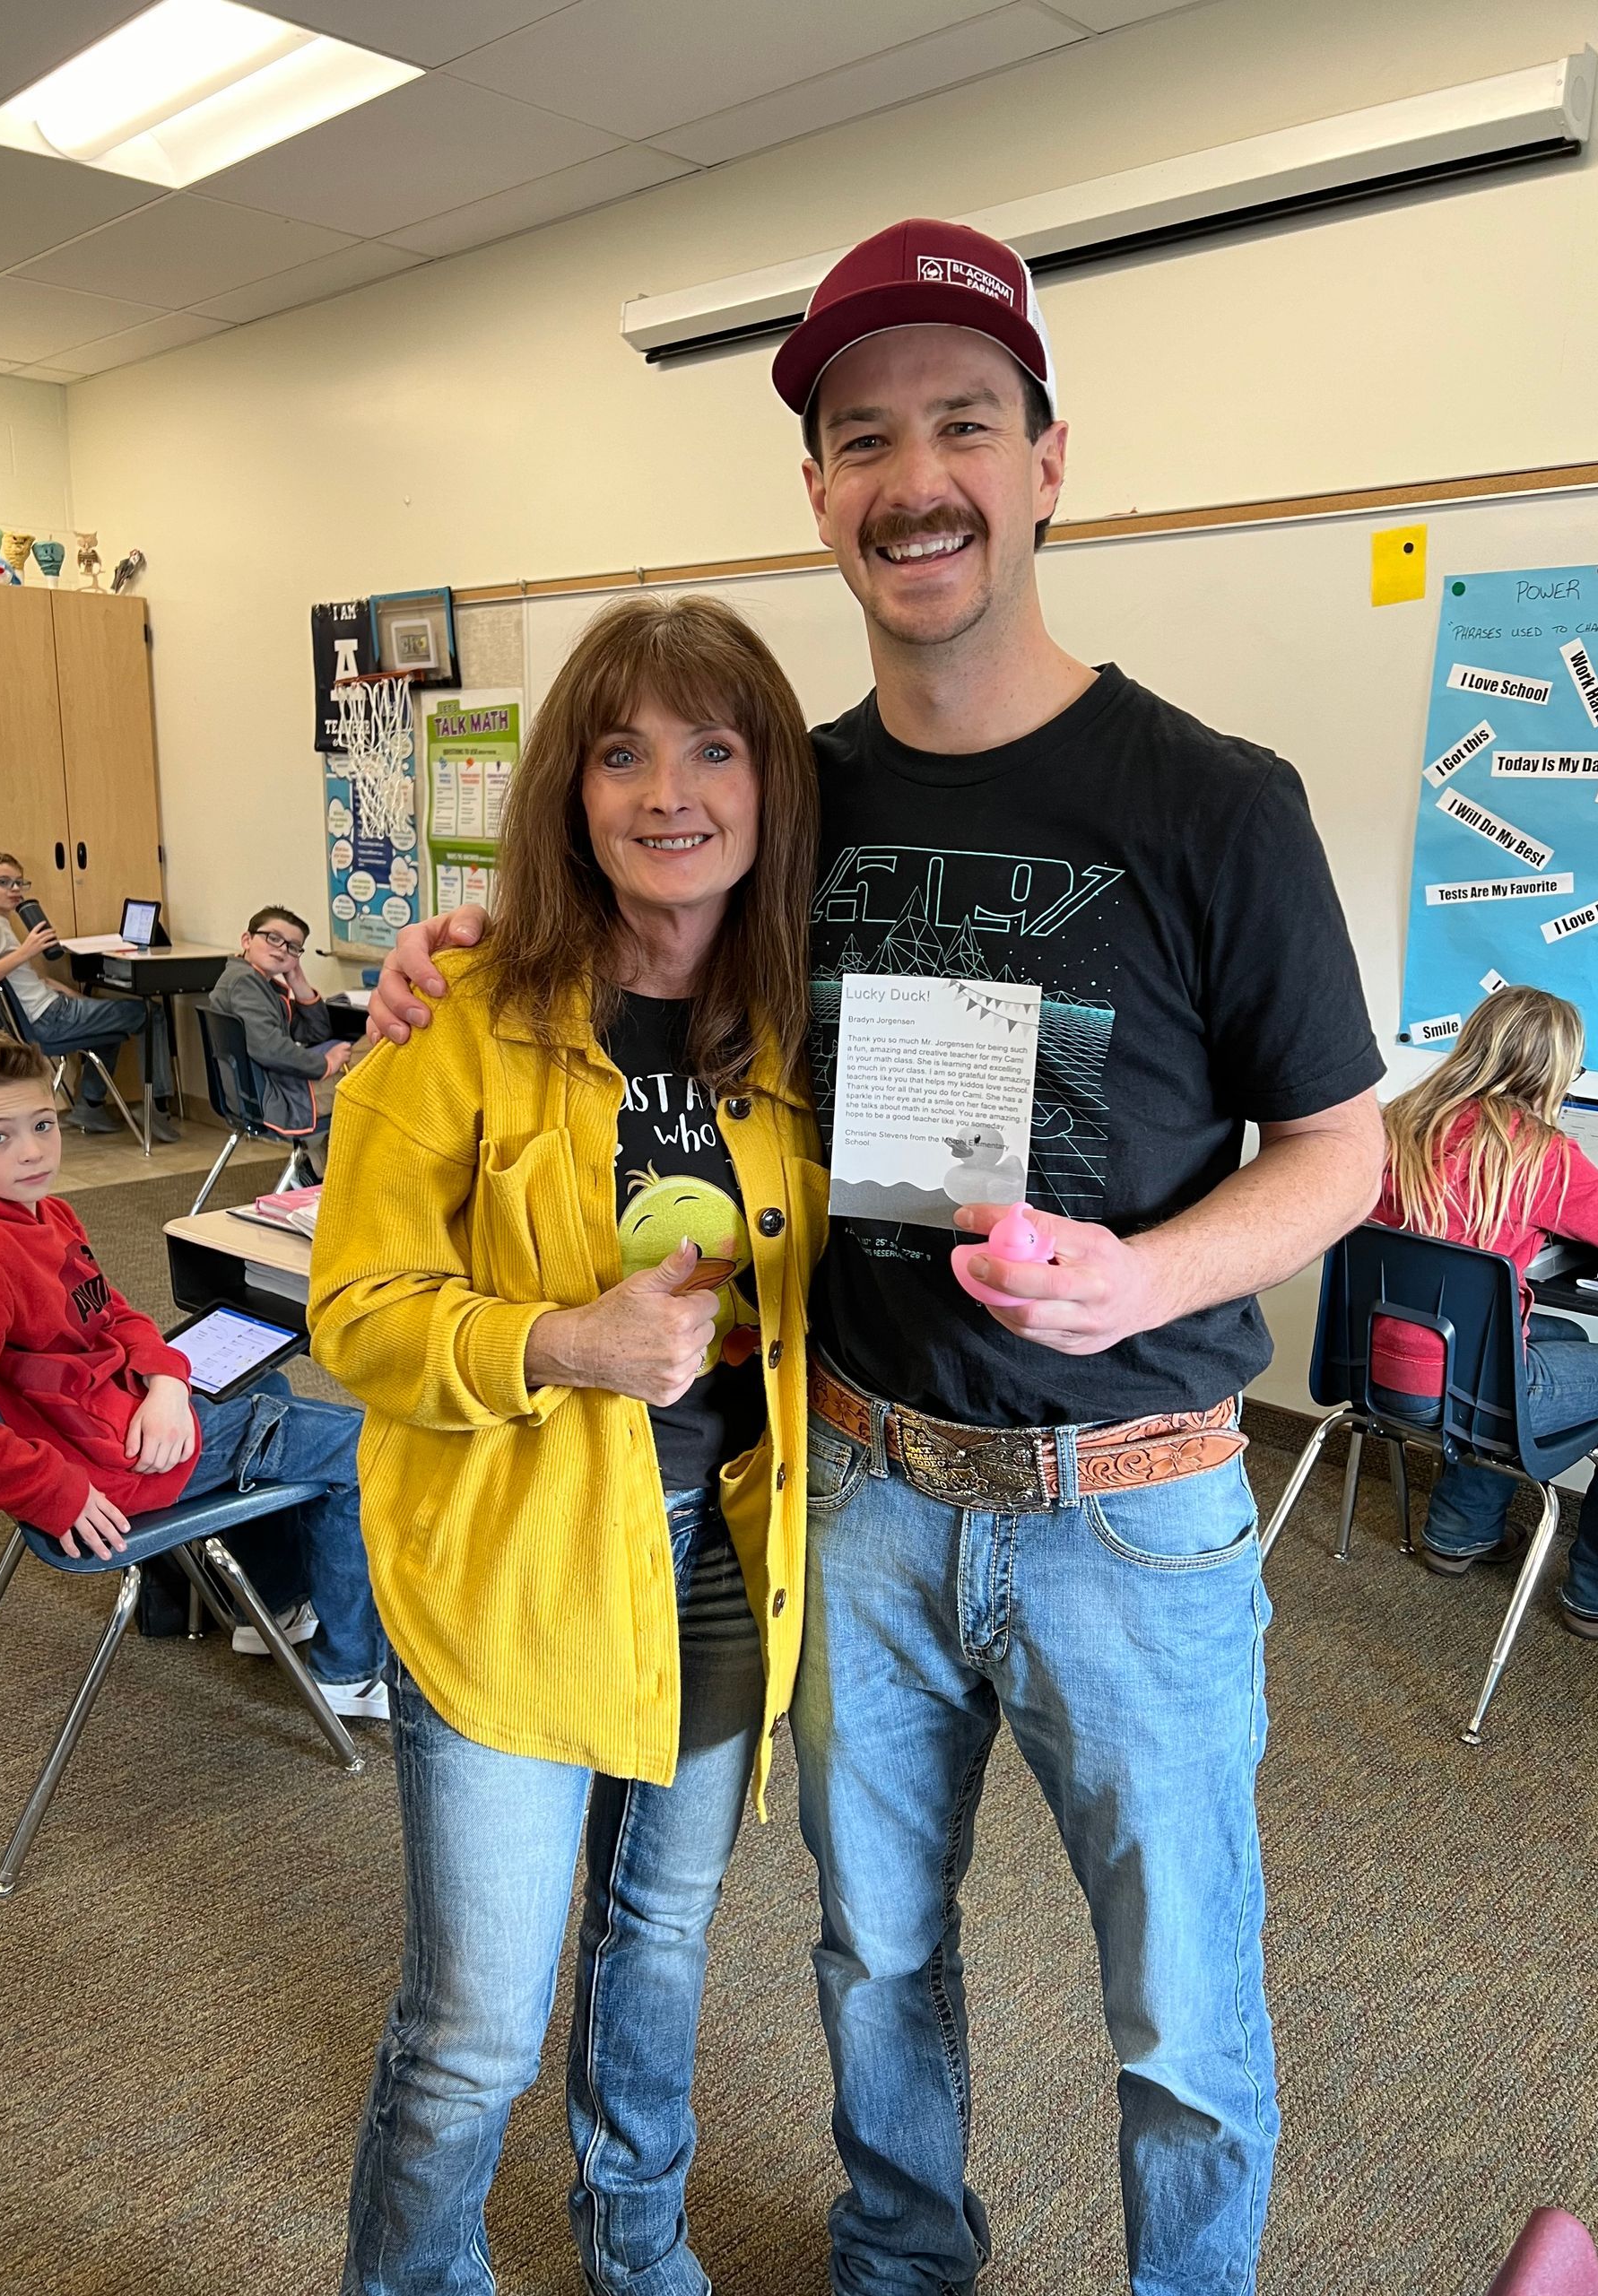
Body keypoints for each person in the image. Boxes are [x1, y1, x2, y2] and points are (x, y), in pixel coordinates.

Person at [368, 218, 1386, 2296]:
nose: (911, 474)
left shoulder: (1213, 798)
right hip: (850, 1492)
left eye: (960, 425)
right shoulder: (787, 805)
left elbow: (1341, 1151)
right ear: (818, 493)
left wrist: (1140, 1275)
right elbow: (631, 917)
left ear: (1044, 462)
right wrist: (455, 939)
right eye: (860, 438)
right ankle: (900, 2268)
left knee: (1183, 2020)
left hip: (1136, 1507)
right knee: (874, 1961)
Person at [307, 593, 824, 2295]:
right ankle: (417, 2275)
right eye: (619, 752)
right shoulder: (455, 1013)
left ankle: (636, 2240)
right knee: (475, 2019)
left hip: (728, 1569)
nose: (666, 790)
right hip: (517, 1562)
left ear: (768, 787)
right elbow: (358, 1312)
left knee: (661, 1941)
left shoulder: (797, 1034)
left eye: (711, 748)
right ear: (569, 789)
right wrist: (559, 1341)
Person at [0, 1029, 387, 1720]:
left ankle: (270, 1602)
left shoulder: (43, 1211)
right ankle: (350, 1670)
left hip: (116, 1412)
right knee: (369, 1447)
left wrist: (166, 1382)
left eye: (42, 1124)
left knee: (265, 1386)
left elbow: (110, 1310)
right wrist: (50, 1490)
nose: (33, 1150)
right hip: (102, 1461)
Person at [1370, 985, 1598, 1629]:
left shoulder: (1394, 1124)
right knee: (1532, 1363)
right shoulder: (1540, 1156)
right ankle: (1596, 1592)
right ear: (1555, 1070)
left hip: (1373, 1372)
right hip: (1465, 1385)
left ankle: (1461, 1530)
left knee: (1558, 1334)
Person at [0, 849, 178, 1143]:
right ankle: (159, 1107)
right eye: (4, 882)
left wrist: (50, 984)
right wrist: (27, 951)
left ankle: (90, 1106)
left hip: (50, 1010)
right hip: (51, 1019)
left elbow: (13, 978)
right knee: (152, 1013)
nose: (14, 890)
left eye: (19, 883)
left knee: (109, 1029)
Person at [208, 904, 352, 1163]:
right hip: (271, 1100)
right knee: (373, 1065)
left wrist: (297, 980)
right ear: (247, 940)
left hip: (256, 1092)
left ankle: (315, 1165)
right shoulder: (246, 984)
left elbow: (316, 1032)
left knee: (346, 1050)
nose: (282, 949)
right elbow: (269, 1048)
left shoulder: (257, 983)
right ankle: (320, 1166)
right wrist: (325, 1064)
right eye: (273, 938)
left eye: (293, 946)